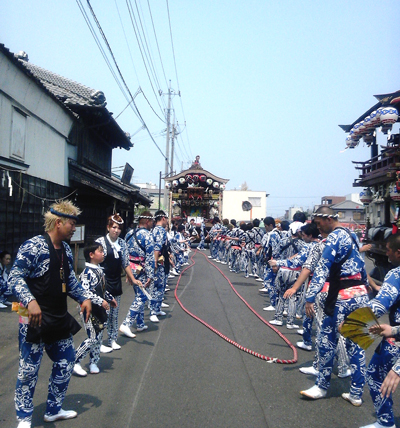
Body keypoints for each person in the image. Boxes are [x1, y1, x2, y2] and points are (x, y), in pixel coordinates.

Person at [8, 200, 93, 428]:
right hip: (31, 316)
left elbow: (71, 282)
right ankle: (24, 418)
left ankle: (53, 410)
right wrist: (30, 300)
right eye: (71, 223)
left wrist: (84, 298)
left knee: (66, 363)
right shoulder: (32, 247)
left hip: (57, 316)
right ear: (58, 223)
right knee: (29, 370)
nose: (74, 228)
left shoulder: (65, 249)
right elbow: (14, 277)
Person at [300, 206, 368, 404]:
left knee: (326, 341)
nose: (317, 228)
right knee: (357, 346)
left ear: (328, 218)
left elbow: (322, 267)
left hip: (342, 296)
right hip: (360, 294)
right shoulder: (352, 235)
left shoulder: (335, 237)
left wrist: (310, 296)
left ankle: (321, 386)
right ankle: (356, 393)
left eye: (319, 224)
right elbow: (361, 265)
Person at [359, 233, 400, 428]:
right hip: (396, 331)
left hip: (397, 341)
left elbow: (379, 306)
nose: (387, 254)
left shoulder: (396, 274)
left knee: (375, 374)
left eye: (389, 250)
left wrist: (353, 322)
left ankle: (385, 421)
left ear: (398, 253)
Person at [96, 214, 141, 351]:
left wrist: (133, 279)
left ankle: (112, 339)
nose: (116, 230)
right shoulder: (101, 242)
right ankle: (98, 342)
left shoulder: (122, 243)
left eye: (119, 228)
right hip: (103, 281)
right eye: (114, 227)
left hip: (116, 281)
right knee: (103, 313)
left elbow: (126, 263)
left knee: (115, 313)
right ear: (108, 227)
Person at [73, 241, 117, 377]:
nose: (103, 253)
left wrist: (109, 298)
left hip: (100, 310)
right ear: (91, 255)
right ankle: (75, 360)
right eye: (100, 251)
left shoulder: (98, 270)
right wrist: (102, 301)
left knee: (98, 338)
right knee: (92, 337)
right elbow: (86, 292)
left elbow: (102, 290)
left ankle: (94, 362)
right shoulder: (87, 272)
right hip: (89, 310)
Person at [120, 211, 155, 333]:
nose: (152, 224)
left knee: (138, 294)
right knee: (142, 296)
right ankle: (127, 322)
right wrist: (151, 275)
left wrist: (126, 271)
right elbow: (150, 257)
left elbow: (124, 253)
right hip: (141, 270)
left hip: (130, 268)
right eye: (151, 222)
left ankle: (140, 323)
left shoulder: (129, 233)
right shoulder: (148, 235)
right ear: (147, 221)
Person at [150, 210, 170, 320]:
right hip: (159, 260)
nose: (167, 220)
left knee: (161, 285)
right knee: (157, 285)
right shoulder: (160, 230)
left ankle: (157, 309)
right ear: (163, 218)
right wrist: (155, 262)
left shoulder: (155, 230)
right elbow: (157, 247)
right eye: (166, 218)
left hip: (161, 259)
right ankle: (153, 311)